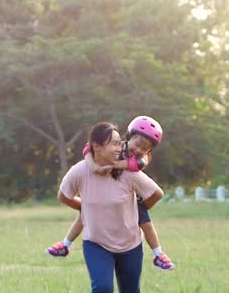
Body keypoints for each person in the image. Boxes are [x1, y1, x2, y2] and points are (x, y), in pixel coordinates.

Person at [47, 116, 175, 270]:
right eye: (138, 144)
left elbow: (134, 165)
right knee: (83, 216)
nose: (139, 150)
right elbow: (88, 148)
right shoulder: (115, 145)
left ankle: (158, 254)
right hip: (104, 194)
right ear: (129, 137)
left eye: (145, 148)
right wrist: (93, 165)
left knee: (145, 223)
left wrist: (113, 165)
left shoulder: (143, 158)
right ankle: (65, 244)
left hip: (132, 198)